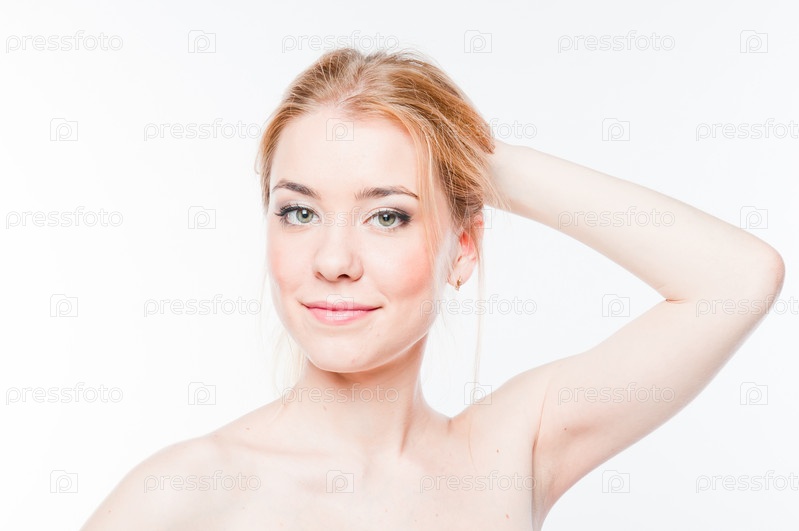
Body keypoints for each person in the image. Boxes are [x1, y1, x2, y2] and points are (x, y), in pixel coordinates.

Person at [81, 46, 784, 530]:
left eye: (388, 215)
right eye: (299, 211)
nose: (333, 259)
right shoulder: (182, 495)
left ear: (463, 248)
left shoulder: (507, 455)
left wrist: (479, 161)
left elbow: (736, 277)